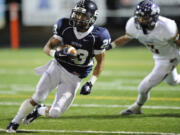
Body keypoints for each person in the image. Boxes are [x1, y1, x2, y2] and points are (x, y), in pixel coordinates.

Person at [6, 0, 111, 133]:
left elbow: (100, 62)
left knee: (56, 112)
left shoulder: (99, 36)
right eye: (77, 14)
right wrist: (56, 53)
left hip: (74, 76)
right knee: (38, 97)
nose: (78, 18)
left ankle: (39, 110)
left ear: (92, 18)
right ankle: (15, 121)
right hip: (57, 67)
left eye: (83, 16)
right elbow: (46, 48)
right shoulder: (65, 26)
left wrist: (91, 83)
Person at [107, 0, 180, 115]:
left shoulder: (167, 27)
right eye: (139, 17)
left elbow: (178, 42)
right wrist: (110, 46)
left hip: (170, 58)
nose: (140, 20)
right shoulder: (132, 24)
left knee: (143, 87)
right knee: (173, 81)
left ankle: (136, 107)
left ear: (154, 17)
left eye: (144, 18)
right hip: (158, 56)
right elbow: (127, 37)